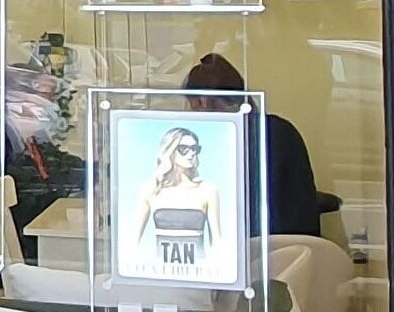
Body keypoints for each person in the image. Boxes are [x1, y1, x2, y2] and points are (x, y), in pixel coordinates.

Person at [184, 52, 325, 239]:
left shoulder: (219, 144)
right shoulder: (281, 130)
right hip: (297, 255)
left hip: (250, 254)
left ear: (202, 102)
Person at [131, 126, 223, 265]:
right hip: (161, 271)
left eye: (195, 149)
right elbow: (133, 240)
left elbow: (216, 241)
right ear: (170, 151)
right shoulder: (152, 189)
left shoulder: (207, 189)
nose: (191, 153)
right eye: (184, 148)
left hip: (198, 271)